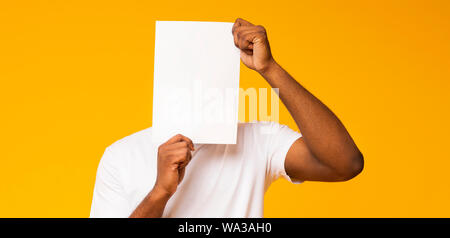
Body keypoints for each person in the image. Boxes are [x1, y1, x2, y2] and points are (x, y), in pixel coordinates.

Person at [90, 18, 364, 218]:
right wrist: (160, 191)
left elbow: (345, 163)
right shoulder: (120, 156)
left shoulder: (259, 140)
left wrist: (269, 68)